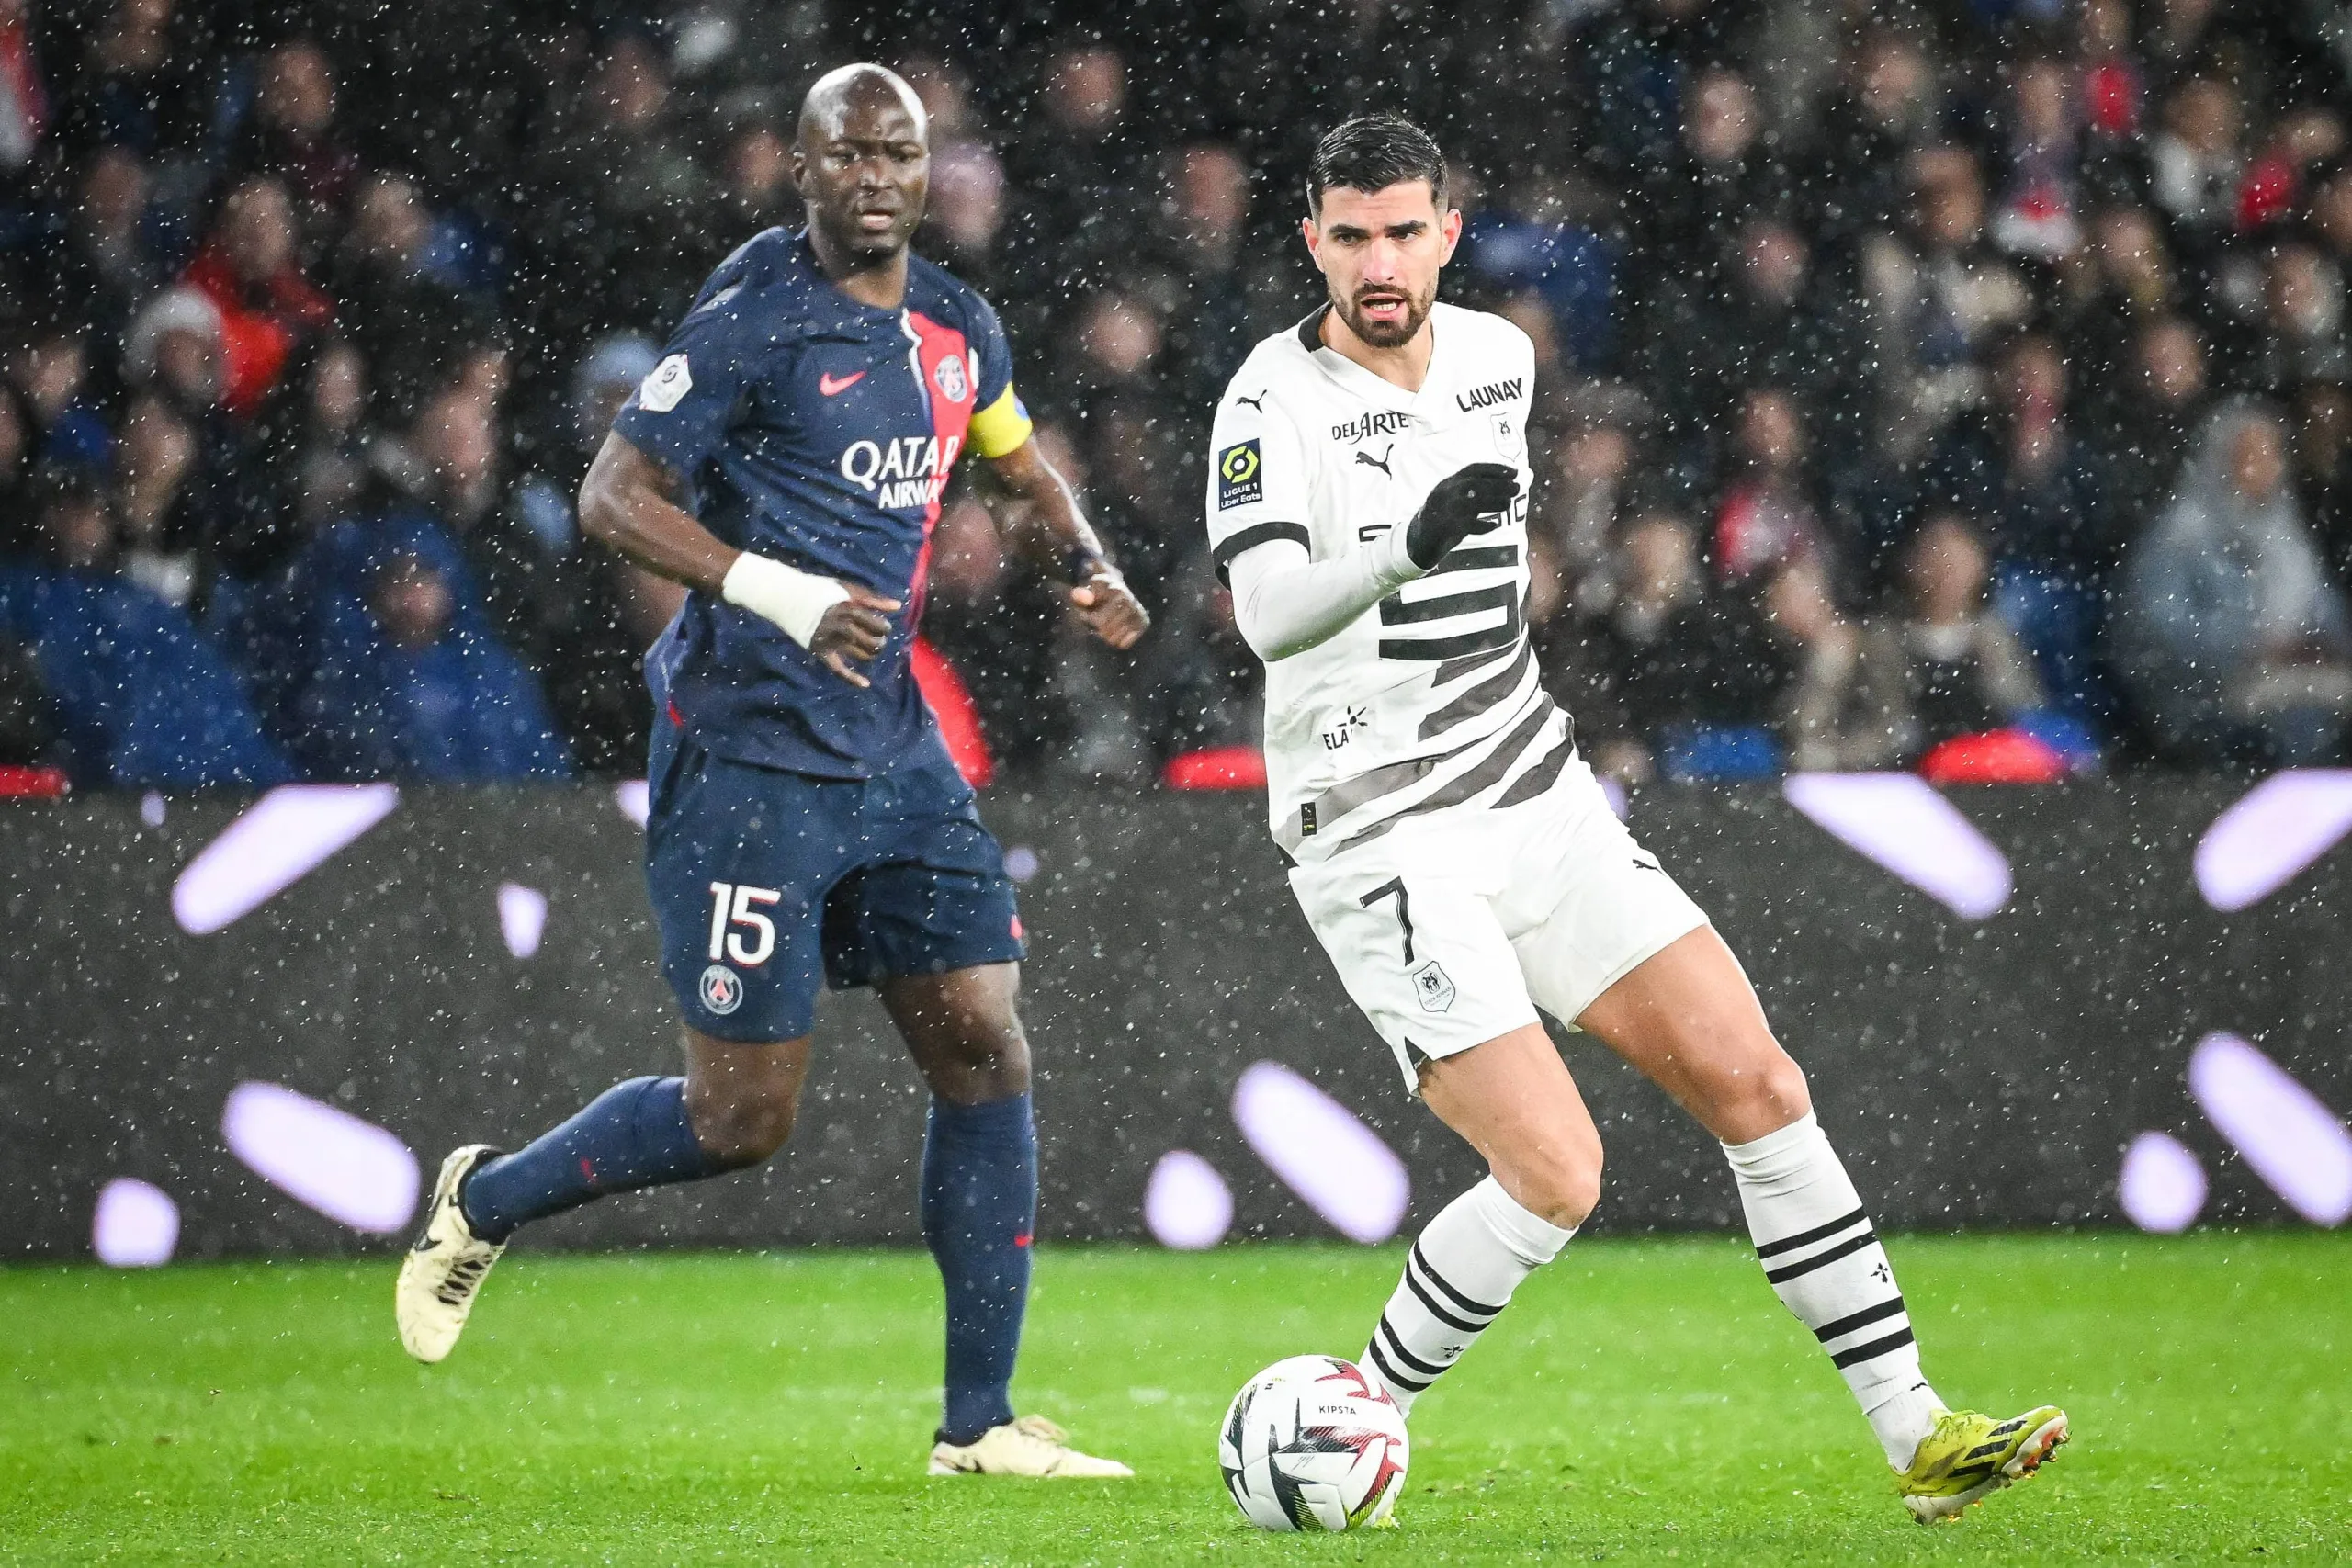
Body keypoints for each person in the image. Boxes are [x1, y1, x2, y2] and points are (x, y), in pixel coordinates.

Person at [1205, 115, 2065, 1527]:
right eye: (1349, 234)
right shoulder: (1267, 399)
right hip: (1379, 832)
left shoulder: (1498, 359)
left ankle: (1919, 1434)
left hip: (1531, 789)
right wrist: (1408, 540)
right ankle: (1359, 1408)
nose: (1378, 261)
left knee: (1761, 1085)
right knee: (1555, 1173)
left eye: (1403, 231)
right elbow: (1269, 612)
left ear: (1447, 234)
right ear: (1311, 239)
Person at [394, 63, 1148, 1479]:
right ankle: (485, 1198)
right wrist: (781, 593)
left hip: (891, 747)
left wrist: (1086, 557)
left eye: (898, 154)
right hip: (747, 755)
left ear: (929, 173)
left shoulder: (954, 325)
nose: (875, 177)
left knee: (985, 1040)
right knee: (742, 1121)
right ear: (800, 172)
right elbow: (613, 497)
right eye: (847, 155)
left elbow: (1015, 459)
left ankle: (976, 1426)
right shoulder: (752, 326)